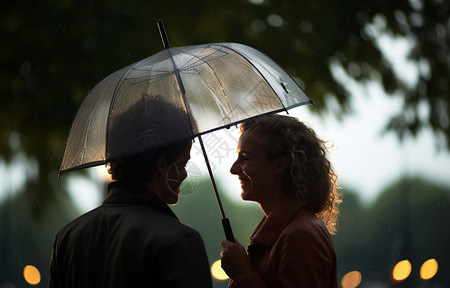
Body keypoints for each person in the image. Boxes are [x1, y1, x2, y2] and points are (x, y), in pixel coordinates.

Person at [49, 95, 212, 288]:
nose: (185, 174)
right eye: (183, 163)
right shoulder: (179, 243)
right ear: (161, 164)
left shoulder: (68, 238)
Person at [220, 114, 341, 288]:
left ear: (278, 164)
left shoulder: (302, 235)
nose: (233, 169)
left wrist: (243, 274)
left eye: (245, 158)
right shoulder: (286, 232)